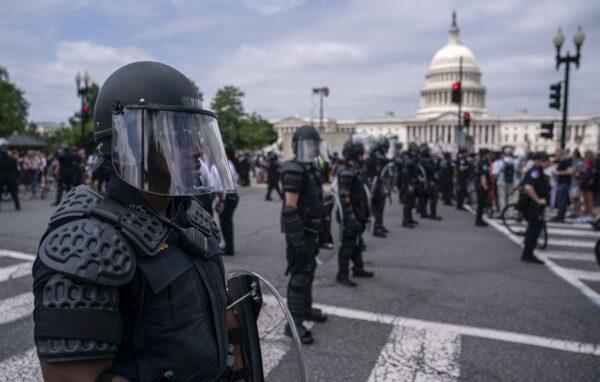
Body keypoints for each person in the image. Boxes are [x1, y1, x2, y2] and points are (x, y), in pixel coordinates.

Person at [32, 61, 252, 382]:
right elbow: (72, 377)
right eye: (179, 135)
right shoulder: (90, 240)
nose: (196, 152)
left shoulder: (191, 217)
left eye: (194, 135)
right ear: (133, 141)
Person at [280, 124, 328, 345]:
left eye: (314, 146)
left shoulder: (311, 169)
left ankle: (306, 310)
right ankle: (293, 322)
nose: (312, 150)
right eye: (308, 146)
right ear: (298, 146)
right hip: (300, 232)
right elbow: (290, 208)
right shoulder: (294, 169)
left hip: (311, 231)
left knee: (309, 271)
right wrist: (297, 240)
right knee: (299, 275)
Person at [336, 140, 374, 287]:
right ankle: (342, 275)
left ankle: (358, 268)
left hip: (358, 213)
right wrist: (351, 219)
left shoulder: (356, 170)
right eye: (360, 154)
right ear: (354, 154)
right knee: (347, 245)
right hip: (350, 216)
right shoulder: (346, 172)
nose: (362, 156)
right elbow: (344, 198)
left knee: (357, 243)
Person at [519, 152, 551, 264]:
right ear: (538, 161)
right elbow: (528, 187)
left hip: (535, 206)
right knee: (533, 230)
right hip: (534, 206)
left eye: (546, 160)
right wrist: (538, 200)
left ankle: (528, 253)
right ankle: (528, 254)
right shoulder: (536, 172)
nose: (546, 162)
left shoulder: (539, 171)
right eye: (544, 160)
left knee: (534, 229)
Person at [366, 137, 390, 237]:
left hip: (379, 184)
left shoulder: (379, 155)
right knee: (378, 207)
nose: (386, 149)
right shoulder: (377, 156)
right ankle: (377, 227)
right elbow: (378, 170)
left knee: (381, 206)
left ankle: (380, 224)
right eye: (384, 147)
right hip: (375, 184)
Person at [218, 147, 240, 256]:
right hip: (233, 196)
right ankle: (229, 246)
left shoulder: (225, 164)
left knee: (225, 223)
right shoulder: (230, 163)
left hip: (228, 197)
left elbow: (225, 185)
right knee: (227, 222)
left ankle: (229, 249)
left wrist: (222, 200)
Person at [401, 143, 419, 228]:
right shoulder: (407, 160)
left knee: (411, 202)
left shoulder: (411, 159)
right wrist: (409, 185)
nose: (415, 152)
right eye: (413, 151)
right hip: (408, 184)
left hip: (411, 183)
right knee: (407, 203)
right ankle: (405, 221)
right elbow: (406, 174)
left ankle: (410, 219)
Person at [494, 146, 517, 214]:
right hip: (512, 181)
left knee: (502, 197)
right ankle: (511, 212)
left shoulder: (499, 162)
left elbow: (495, 173)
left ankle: (503, 212)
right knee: (510, 197)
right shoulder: (515, 161)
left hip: (501, 181)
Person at [552, 148, 572, 222]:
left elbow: (570, 171)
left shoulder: (566, 161)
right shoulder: (560, 162)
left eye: (556, 154)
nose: (555, 155)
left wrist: (559, 173)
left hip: (565, 182)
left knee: (562, 200)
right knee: (560, 200)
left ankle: (561, 217)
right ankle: (559, 215)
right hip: (560, 182)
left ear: (560, 154)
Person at [0, 144, 21, 211]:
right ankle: (17, 206)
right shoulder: (13, 159)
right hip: (11, 177)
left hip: (1, 177)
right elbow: (16, 170)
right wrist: (17, 177)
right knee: (13, 192)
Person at [475, 148, 492, 227]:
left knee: (481, 203)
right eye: (488, 154)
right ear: (485, 154)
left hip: (480, 185)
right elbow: (483, 176)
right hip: (481, 186)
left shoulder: (482, 163)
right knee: (481, 203)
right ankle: (479, 220)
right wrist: (486, 187)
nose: (490, 155)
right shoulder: (483, 164)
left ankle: (479, 219)